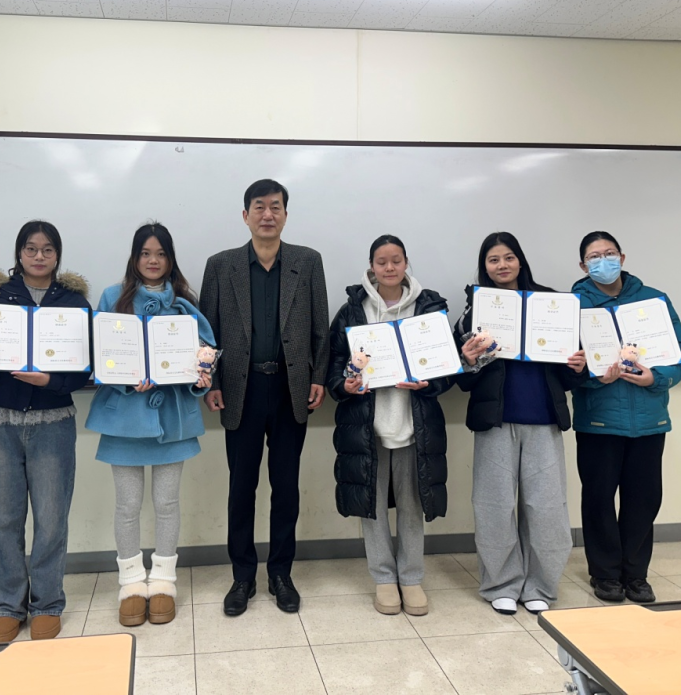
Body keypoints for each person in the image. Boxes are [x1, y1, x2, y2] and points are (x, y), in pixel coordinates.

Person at [198, 179, 329, 617]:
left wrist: (318, 376)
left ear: (286, 215)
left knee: (286, 488)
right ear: (245, 215)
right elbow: (208, 332)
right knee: (242, 487)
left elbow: (320, 328)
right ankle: (242, 576)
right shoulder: (221, 265)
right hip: (242, 389)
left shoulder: (307, 262)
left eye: (275, 207)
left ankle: (280, 574)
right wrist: (212, 382)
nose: (267, 214)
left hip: (291, 388)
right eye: (259, 207)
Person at [0, 220, 91, 643]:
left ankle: (47, 603)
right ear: (19, 253)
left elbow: (83, 369)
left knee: (51, 519)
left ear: (57, 255)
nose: (38, 256)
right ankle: (8, 606)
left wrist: (49, 381)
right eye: (30, 248)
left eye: (47, 249)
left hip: (54, 422)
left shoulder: (73, 303)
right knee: (2, 520)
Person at [85, 222, 215, 627]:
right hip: (124, 419)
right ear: (134, 257)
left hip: (172, 420)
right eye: (145, 253)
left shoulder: (185, 302)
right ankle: (129, 582)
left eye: (160, 253)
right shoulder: (112, 297)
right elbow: (98, 354)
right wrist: (125, 378)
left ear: (170, 259)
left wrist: (200, 377)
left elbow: (205, 354)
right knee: (126, 505)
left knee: (167, 503)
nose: (153, 260)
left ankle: (163, 580)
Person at [453, 232, 586, 616]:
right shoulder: (474, 311)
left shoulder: (552, 304)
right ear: (484, 266)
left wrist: (578, 366)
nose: (502, 265)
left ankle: (541, 585)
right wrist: (468, 360)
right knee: (493, 507)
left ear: (521, 260)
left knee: (547, 508)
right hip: (495, 423)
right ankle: (501, 584)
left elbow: (570, 373)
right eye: (493, 260)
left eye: (509, 257)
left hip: (543, 420)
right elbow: (463, 379)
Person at [327, 235, 451, 616]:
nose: (390, 267)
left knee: (413, 506)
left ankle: (411, 578)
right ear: (371, 267)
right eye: (381, 262)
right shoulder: (353, 311)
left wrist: (430, 383)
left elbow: (448, 368)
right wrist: (344, 385)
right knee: (373, 507)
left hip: (415, 427)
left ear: (406, 263)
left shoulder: (429, 308)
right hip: (369, 427)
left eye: (396, 260)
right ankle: (383, 578)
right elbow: (334, 366)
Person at [572, 231, 681, 604]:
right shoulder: (572, 305)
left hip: (649, 420)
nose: (603, 261)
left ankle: (636, 575)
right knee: (598, 499)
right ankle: (605, 574)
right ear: (583, 265)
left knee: (644, 499)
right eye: (594, 256)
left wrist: (657, 377)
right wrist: (595, 376)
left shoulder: (654, 300)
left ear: (622, 258)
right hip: (599, 421)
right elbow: (566, 365)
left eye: (609, 253)